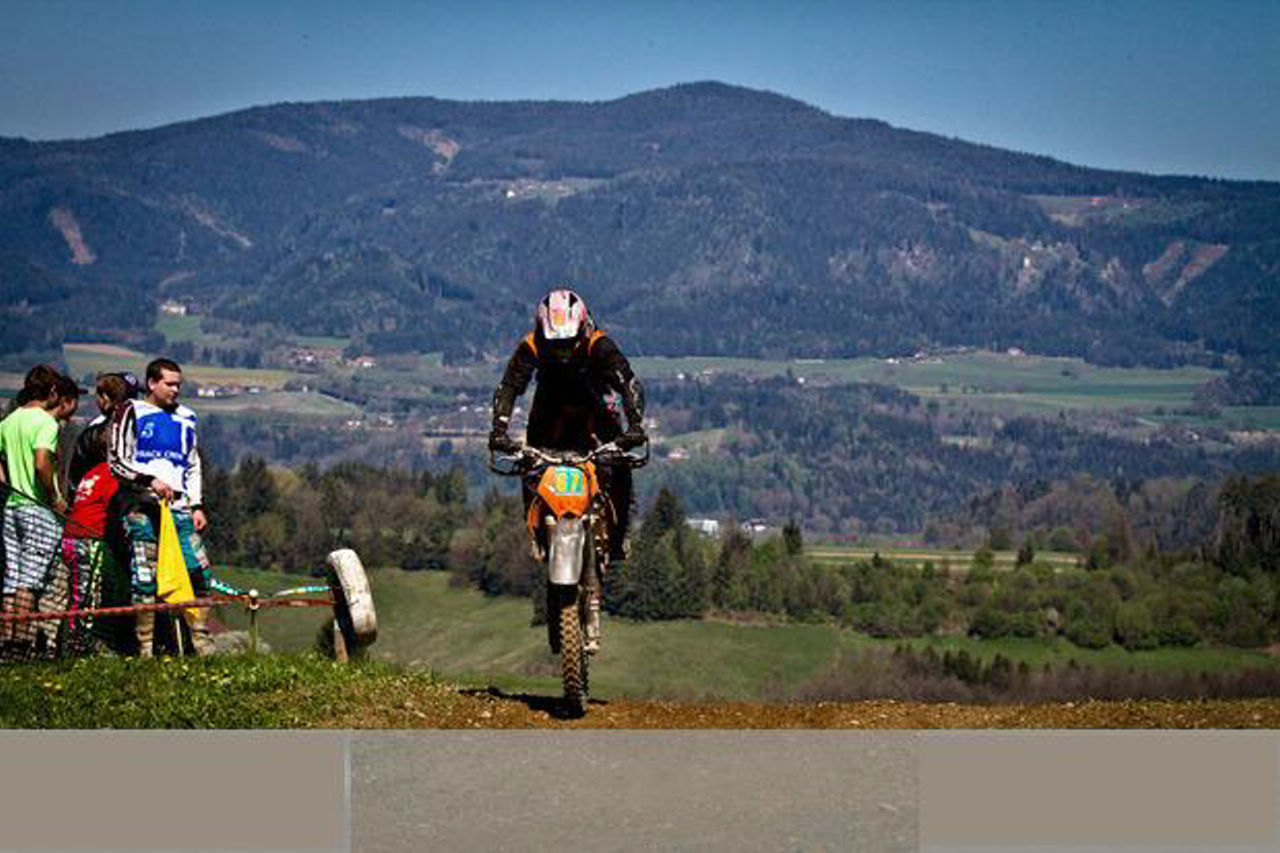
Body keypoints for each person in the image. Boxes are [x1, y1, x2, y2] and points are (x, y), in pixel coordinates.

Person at [488, 288, 647, 650]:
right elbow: (510, 386)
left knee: (619, 467)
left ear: (582, 329)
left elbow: (627, 383)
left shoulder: (600, 345)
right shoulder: (532, 345)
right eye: (554, 345)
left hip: (596, 419)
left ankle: (618, 535)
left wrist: (635, 425)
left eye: (568, 344)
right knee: (529, 467)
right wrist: (499, 429)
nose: (561, 352)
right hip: (550, 422)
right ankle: (537, 533)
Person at [108, 358, 215, 656]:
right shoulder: (130, 411)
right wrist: (148, 480)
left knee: (199, 572)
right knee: (146, 577)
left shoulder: (186, 417)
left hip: (179, 507)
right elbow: (116, 461)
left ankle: (202, 643)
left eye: (178, 385)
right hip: (140, 506)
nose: (175, 390)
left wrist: (196, 504)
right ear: (152, 383)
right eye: (169, 384)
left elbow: (192, 464)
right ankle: (144, 648)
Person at [0, 366, 71, 647]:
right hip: (37, 508)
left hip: (11, 507)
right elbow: (42, 462)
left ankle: (6, 641)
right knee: (29, 580)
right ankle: (22, 642)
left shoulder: (8, 421)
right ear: (52, 391)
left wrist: (10, 484)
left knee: (11, 580)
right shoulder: (45, 422)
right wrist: (54, 498)